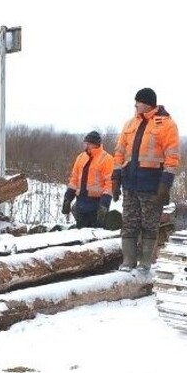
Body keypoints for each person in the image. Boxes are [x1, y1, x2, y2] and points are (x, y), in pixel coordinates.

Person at [112, 88, 180, 271]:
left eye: (138, 101)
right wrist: (115, 178)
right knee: (129, 223)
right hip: (130, 183)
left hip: (152, 184)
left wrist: (165, 184)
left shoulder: (166, 125)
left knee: (149, 224)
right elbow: (119, 152)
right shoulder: (129, 124)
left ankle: (145, 263)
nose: (135, 105)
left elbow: (172, 157)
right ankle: (128, 262)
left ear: (148, 103)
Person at [61, 131, 114, 228]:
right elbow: (74, 179)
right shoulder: (81, 157)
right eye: (85, 143)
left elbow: (110, 184)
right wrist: (68, 197)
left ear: (95, 144)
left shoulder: (107, 159)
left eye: (88, 144)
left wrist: (104, 204)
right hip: (81, 202)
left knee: (96, 234)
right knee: (81, 233)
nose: (85, 146)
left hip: (97, 204)